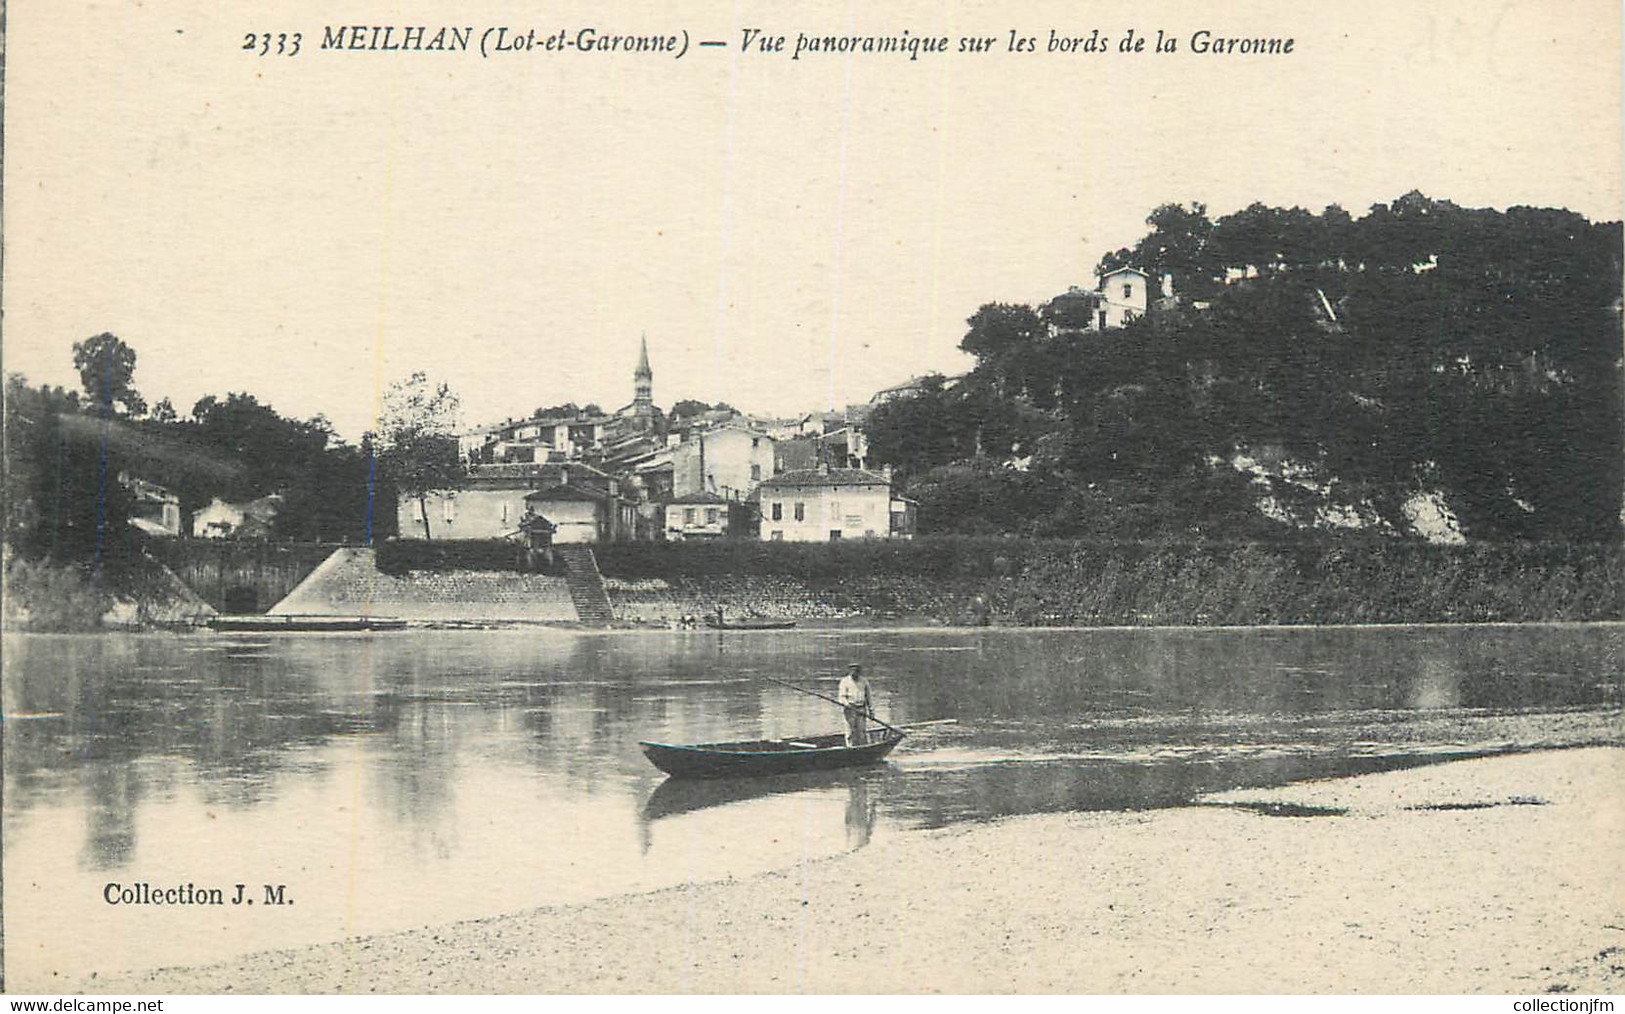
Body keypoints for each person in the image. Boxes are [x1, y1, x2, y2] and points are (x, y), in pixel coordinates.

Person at [836, 663, 873, 747]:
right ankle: (850, 748)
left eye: (856, 670)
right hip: (850, 709)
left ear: (859, 671)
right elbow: (841, 697)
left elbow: (868, 697)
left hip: (861, 709)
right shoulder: (844, 681)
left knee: (861, 731)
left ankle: (862, 748)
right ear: (849, 671)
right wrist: (846, 704)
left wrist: (871, 710)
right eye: (852, 670)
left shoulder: (864, 681)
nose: (854, 672)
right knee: (850, 732)